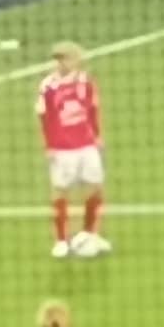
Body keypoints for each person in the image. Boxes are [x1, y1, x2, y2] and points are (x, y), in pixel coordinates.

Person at [40, 43, 107, 259]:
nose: (63, 63)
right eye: (59, 59)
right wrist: (49, 145)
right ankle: (61, 241)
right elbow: (46, 118)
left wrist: (97, 136)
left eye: (67, 58)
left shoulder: (85, 81)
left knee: (95, 188)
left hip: (87, 145)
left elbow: (92, 110)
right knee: (60, 191)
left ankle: (89, 234)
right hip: (63, 149)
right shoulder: (48, 86)